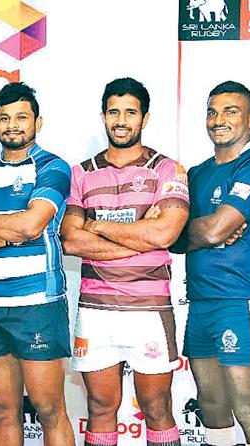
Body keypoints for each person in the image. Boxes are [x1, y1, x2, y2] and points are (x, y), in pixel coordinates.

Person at [60, 78, 189, 446]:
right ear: (103, 116)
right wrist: (141, 232)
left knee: (157, 406)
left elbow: (164, 234)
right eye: (114, 111)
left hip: (149, 309)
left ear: (144, 117)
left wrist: (96, 226)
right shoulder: (80, 173)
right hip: (96, 309)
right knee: (100, 406)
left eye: (130, 111)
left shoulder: (168, 170)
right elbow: (70, 239)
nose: (121, 120)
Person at [0, 82, 74, 446]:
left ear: (37, 123)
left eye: (21, 117)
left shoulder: (52, 167)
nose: (12, 124)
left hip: (39, 305)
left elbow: (32, 224)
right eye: (5, 117)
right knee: (3, 410)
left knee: (49, 409)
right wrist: (14, 227)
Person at [171, 81, 250, 446]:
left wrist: (202, 231)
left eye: (230, 111)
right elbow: (171, 237)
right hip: (201, 302)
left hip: (241, 301)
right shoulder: (197, 173)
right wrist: (197, 232)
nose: (219, 119)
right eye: (213, 111)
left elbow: (217, 229)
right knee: (212, 404)